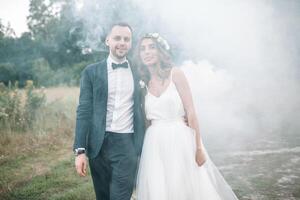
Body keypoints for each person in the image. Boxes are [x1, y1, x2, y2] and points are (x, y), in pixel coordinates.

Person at [135, 33, 239, 200]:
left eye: (152, 47)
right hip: (154, 143)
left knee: (184, 187)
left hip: (181, 139)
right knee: (160, 188)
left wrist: (198, 148)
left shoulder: (175, 74)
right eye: (143, 49)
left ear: (160, 51)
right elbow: (146, 121)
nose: (147, 52)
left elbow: (191, 112)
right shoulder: (142, 83)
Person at [73, 22, 145, 200]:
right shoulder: (91, 72)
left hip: (127, 144)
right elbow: (84, 111)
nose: (122, 42)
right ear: (107, 40)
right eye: (117, 38)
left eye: (126, 39)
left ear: (131, 43)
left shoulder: (140, 72)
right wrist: (80, 151)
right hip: (98, 146)